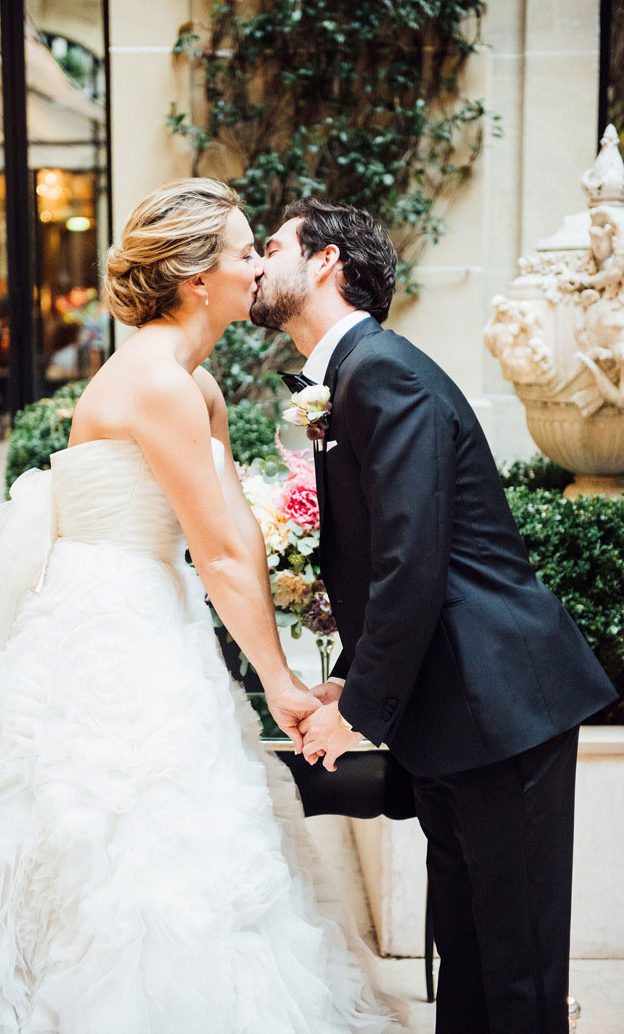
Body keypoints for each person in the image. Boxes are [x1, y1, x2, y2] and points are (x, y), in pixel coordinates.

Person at [0, 180, 403, 1034]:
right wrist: (281, 684)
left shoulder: (196, 380)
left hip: (160, 605)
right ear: (196, 278)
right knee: (125, 833)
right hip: (113, 626)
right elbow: (215, 552)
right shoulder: (155, 381)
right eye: (245, 249)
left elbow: (232, 535)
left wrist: (285, 643)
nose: (258, 265)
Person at [251, 197, 619, 1034]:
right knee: (471, 950)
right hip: (458, 716)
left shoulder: (381, 370)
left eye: (270, 246)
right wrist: (350, 682)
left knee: (517, 969)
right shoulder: (349, 377)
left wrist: (355, 715)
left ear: (324, 263)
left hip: (502, 708)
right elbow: (394, 567)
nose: (256, 263)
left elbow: (412, 562)